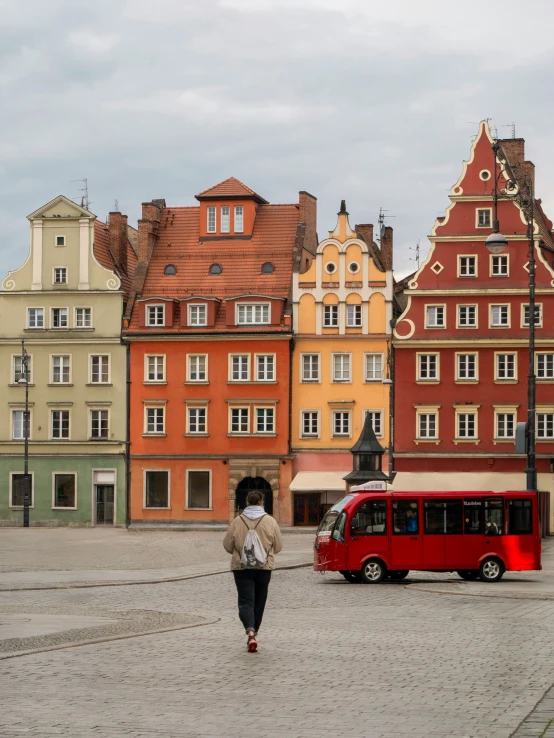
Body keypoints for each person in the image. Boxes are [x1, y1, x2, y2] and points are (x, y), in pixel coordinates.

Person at [223, 490, 283, 653]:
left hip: (241, 568)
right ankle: (254, 633)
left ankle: (250, 632)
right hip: (264, 568)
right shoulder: (270, 521)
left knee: (245, 601)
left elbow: (228, 545)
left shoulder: (237, 521)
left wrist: (241, 550)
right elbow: (278, 547)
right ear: (262, 502)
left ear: (247, 503)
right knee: (259, 601)